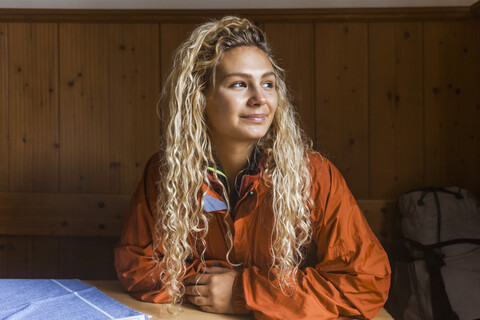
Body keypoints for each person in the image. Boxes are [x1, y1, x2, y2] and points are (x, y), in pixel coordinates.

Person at [114, 16, 391, 319]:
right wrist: (209, 288)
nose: (260, 98)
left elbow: (365, 283)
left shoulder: (314, 176)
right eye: (239, 84)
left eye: (268, 84)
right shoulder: (167, 173)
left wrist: (242, 292)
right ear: (200, 97)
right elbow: (137, 265)